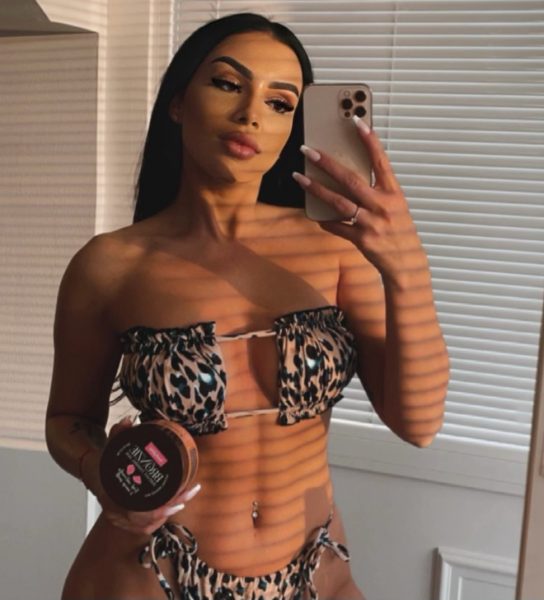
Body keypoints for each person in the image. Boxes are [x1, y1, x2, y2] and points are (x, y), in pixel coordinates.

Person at [45, 12, 449, 600]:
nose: (251, 114)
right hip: (148, 575)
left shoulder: (336, 247)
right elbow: (67, 420)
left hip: (313, 576)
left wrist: (406, 266)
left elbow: (419, 425)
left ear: (293, 128)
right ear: (178, 102)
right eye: (228, 84)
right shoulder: (110, 265)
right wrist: (98, 473)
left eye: (280, 103)